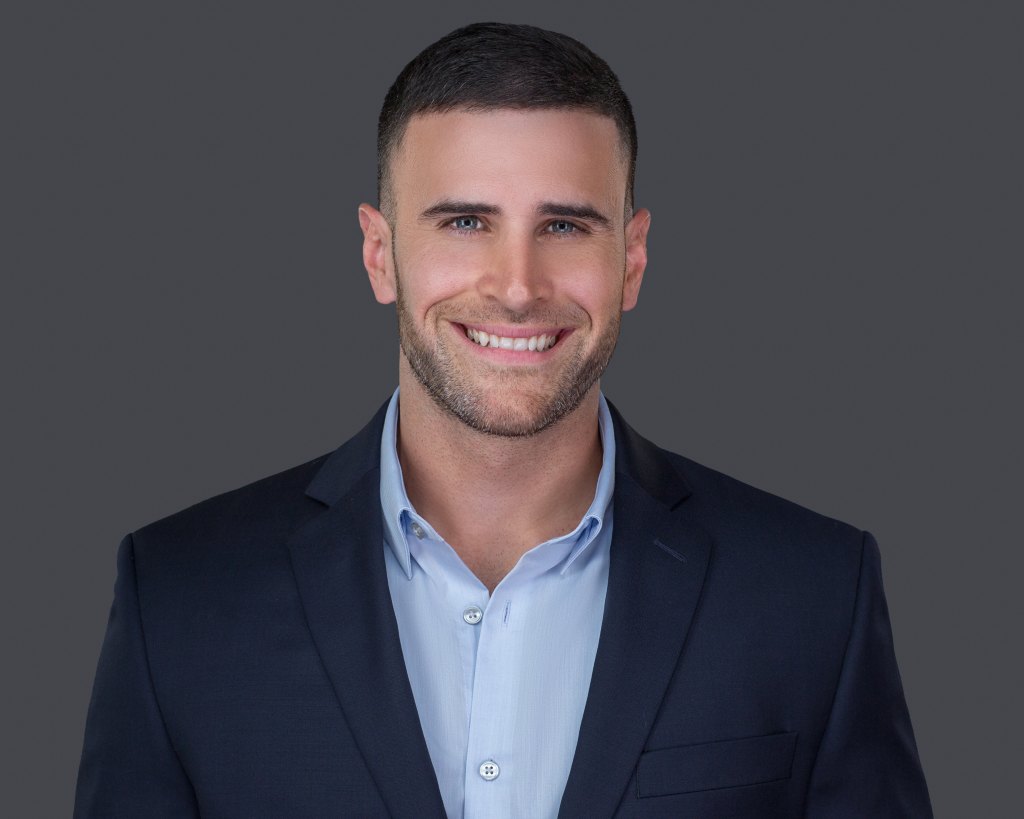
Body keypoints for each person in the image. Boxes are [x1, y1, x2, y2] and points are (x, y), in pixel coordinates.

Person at [74, 22, 932, 819]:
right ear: (380, 253)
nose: (518, 286)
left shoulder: (814, 593)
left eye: (563, 224)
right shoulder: (180, 596)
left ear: (632, 259)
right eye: (465, 221)